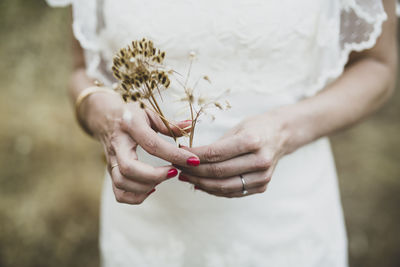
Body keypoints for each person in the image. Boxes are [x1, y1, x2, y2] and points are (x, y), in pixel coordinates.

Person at [47, 0, 397, 266]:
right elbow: (82, 69)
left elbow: (377, 64)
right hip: (145, 223)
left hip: (286, 220)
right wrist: (104, 116)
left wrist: (286, 130)